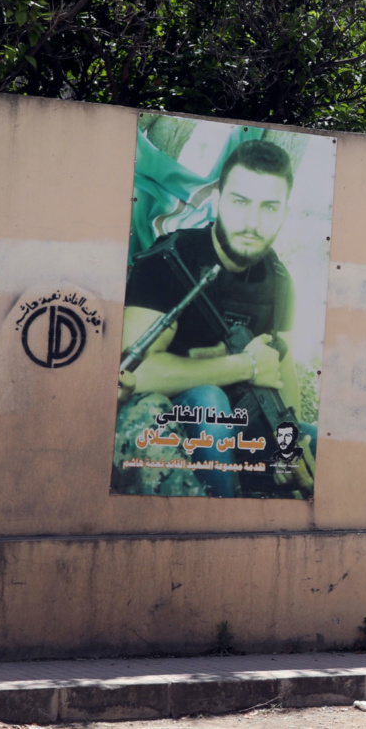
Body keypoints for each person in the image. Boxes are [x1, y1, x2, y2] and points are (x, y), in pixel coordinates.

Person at [117, 139, 314, 498]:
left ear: (285, 212)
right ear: (218, 199)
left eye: (269, 207)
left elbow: (282, 376)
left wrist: (290, 449)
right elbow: (134, 374)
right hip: (162, 424)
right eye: (240, 202)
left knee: (322, 444)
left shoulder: (278, 280)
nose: (252, 223)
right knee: (209, 404)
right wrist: (244, 367)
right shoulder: (170, 260)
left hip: (243, 425)